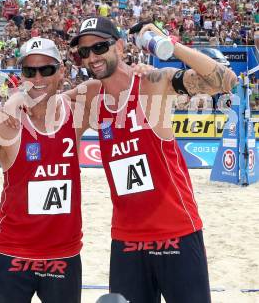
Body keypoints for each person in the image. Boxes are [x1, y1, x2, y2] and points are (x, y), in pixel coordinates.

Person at [67, 17, 237, 303]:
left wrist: (171, 45)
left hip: (177, 233)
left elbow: (225, 81)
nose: (92, 57)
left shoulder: (151, 82)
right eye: (84, 52)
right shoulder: (90, 96)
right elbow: (39, 117)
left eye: (99, 47)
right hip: (126, 239)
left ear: (120, 46)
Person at [0, 38, 89, 303]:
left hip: (63, 256)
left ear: (61, 72)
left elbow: (110, 84)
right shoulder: (1, 122)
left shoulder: (77, 111)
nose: (37, 77)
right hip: (12, 253)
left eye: (46, 69)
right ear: (21, 75)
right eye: (29, 71)